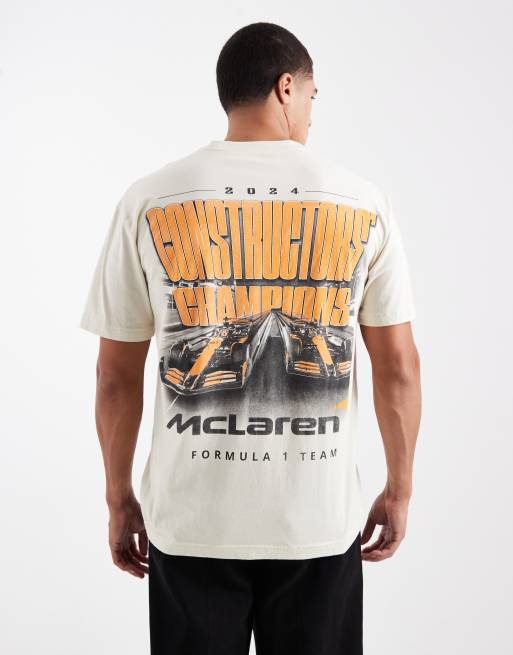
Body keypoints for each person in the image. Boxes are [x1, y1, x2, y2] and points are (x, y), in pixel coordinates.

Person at [80, 21, 421, 655]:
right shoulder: (362, 201)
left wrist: (118, 496)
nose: (313, 111)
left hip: (191, 523)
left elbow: (114, 377)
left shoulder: (149, 200)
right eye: (312, 95)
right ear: (286, 87)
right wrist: (399, 489)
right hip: (317, 522)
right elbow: (398, 366)